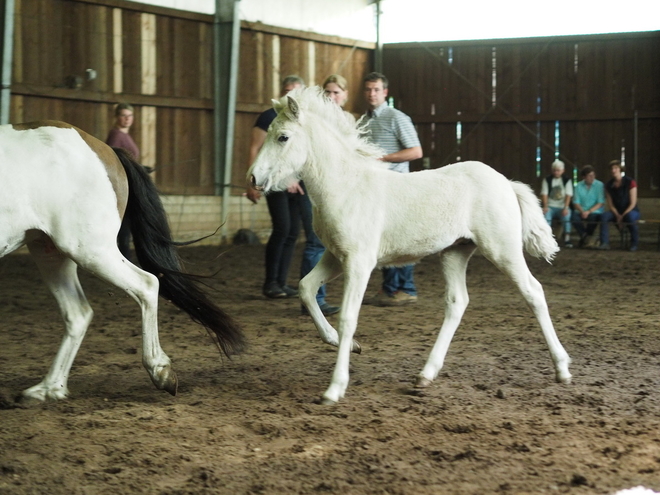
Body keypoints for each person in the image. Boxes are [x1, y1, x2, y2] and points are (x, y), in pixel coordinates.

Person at [362, 72, 423, 306]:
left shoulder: (396, 117)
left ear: (385, 92)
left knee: (400, 237)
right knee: (383, 239)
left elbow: (416, 151)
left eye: (376, 89)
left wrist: (383, 159)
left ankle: (406, 288)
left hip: (397, 186)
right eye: (368, 89)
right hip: (376, 188)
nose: (371, 93)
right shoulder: (363, 120)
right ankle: (389, 288)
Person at [296, 75, 355, 316]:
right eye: (328, 93)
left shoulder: (349, 120)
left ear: (345, 95)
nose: (332, 97)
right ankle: (314, 298)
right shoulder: (313, 121)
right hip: (317, 189)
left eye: (336, 93)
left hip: (345, 191)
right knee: (315, 241)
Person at [246, 76, 305, 299]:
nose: (290, 95)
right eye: (287, 91)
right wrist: (252, 182)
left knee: (292, 232)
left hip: (298, 184)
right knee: (281, 228)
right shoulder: (269, 116)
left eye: (295, 91)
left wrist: (296, 179)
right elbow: (255, 148)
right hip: (275, 182)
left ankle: (281, 281)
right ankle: (270, 282)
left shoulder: (301, 120)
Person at [106, 103, 140, 259]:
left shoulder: (125, 135)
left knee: (128, 225)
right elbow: (113, 161)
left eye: (130, 115)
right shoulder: (116, 135)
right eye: (123, 115)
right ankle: (123, 257)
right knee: (124, 226)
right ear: (117, 117)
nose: (127, 119)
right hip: (121, 186)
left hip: (129, 182)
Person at [599, 160, 641, 251]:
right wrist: (617, 215)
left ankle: (634, 243)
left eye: (616, 168)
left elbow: (633, 203)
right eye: (612, 169)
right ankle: (604, 242)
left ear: (620, 169)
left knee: (630, 217)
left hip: (631, 210)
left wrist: (622, 216)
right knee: (604, 216)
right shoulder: (608, 185)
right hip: (616, 211)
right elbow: (610, 204)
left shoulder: (630, 182)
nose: (613, 170)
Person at [540, 159, 574, 248]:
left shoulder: (567, 180)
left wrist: (566, 207)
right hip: (550, 206)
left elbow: (568, 195)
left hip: (562, 206)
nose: (556, 172)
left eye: (558, 170)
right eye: (554, 170)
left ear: (563, 171)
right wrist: (545, 206)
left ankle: (567, 238)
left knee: (567, 216)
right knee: (546, 217)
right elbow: (544, 194)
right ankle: (546, 238)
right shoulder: (547, 180)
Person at [571, 165, 605, 248]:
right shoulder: (578, 186)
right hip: (581, 210)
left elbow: (600, 202)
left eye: (593, 175)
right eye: (590, 176)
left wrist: (589, 211)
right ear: (584, 177)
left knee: (593, 218)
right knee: (573, 217)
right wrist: (582, 211)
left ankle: (584, 239)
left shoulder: (600, 185)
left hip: (594, 210)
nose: (592, 178)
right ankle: (586, 237)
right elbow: (576, 202)